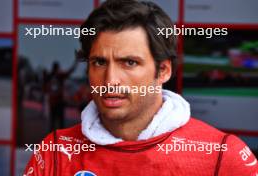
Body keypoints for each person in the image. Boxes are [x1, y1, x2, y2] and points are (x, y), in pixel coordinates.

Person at [24, 1, 258, 175]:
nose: (110, 80)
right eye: (99, 62)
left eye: (130, 63)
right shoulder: (54, 151)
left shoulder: (222, 155)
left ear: (164, 71)